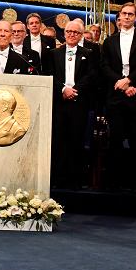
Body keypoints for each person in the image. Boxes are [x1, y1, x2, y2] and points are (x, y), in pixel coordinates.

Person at [100, 2, 136, 190]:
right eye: (124, 13)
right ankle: (114, 183)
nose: (127, 16)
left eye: (131, 14)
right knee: (115, 139)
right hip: (116, 96)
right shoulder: (109, 41)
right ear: (119, 16)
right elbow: (104, 66)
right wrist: (121, 83)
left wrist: (129, 81)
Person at [46, 19, 95, 188]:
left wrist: (74, 90)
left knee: (77, 140)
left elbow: (91, 76)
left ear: (81, 35)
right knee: (59, 140)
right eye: (69, 31)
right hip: (59, 102)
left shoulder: (89, 53)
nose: (72, 34)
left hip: (79, 102)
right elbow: (49, 74)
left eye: (75, 32)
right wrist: (63, 89)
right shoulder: (53, 53)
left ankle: (75, 180)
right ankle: (57, 179)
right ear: (64, 33)